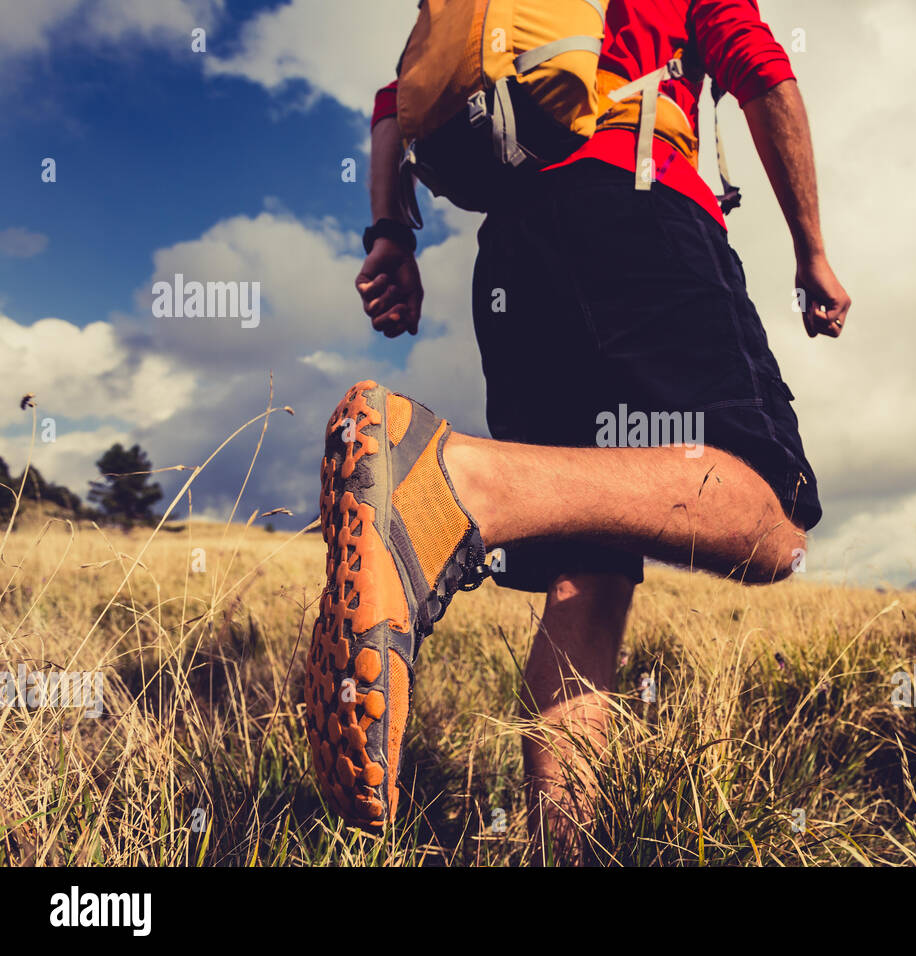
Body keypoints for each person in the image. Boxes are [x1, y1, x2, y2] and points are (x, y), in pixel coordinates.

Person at [306, 0, 851, 863]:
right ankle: (455, 480)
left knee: (586, 578)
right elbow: (763, 74)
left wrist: (389, 239)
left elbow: (396, 102)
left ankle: (570, 850)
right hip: (642, 208)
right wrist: (811, 248)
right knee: (770, 518)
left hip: (514, 257)